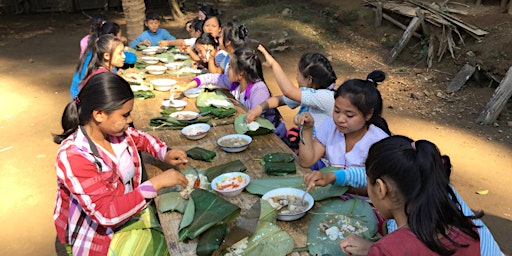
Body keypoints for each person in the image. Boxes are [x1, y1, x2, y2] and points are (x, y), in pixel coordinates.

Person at [53, 72, 189, 255]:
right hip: (96, 232)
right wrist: (156, 183)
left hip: (126, 212)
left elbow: (141, 138)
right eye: (125, 115)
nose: (130, 120)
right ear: (99, 114)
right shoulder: (73, 156)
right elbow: (105, 214)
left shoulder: (115, 134)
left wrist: (165, 152)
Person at [338, 135, 481, 255]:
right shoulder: (466, 226)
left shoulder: (389, 249)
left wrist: (377, 251)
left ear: (381, 189)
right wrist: (372, 248)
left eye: (368, 183)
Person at [246, 45, 337, 150]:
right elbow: (279, 100)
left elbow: (288, 91)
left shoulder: (326, 97)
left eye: (298, 75)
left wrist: (273, 64)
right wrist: (259, 108)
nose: (296, 78)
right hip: (306, 149)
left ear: (309, 80)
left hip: (320, 158)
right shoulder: (309, 94)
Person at [298, 70, 391, 172]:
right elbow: (306, 161)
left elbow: (373, 184)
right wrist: (307, 129)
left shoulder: (378, 143)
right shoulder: (330, 126)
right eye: (337, 111)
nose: (340, 119)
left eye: (349, 115)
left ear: (368, 114)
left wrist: (336, 179)